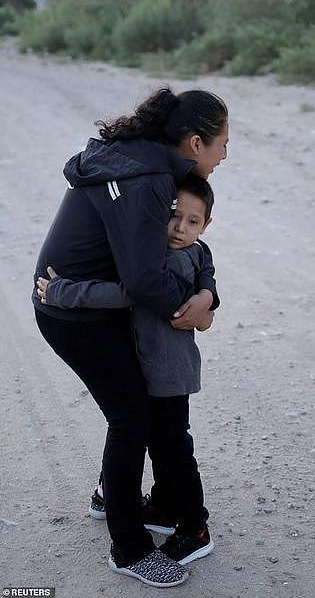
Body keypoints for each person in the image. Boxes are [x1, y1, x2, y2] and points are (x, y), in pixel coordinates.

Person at [33, 87, 228, 586]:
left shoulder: (145, 164)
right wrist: (195, 310)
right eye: (222, 143)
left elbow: (186, 259)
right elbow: (144, 283)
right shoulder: (147, 182)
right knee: (132, 417)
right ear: (193, 143)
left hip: (90, 303)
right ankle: (129, 545)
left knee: (137, 410)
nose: (226, 154)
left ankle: (130, 498)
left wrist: (206, 296)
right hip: (74, 310)